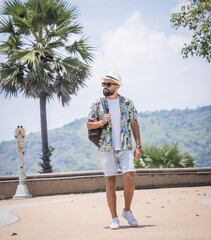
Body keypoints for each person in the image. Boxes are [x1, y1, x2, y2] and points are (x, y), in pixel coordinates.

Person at [87, 71, 142, 230]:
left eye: (108, 84)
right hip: (106, 147)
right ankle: (114, 218)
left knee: (130, 178)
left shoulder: (127, 102)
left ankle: (127, 211)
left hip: (125, 147)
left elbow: (134, 124)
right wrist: (100, 122)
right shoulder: (98, 103)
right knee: (110, 182)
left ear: (116, 87)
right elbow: (89, 124)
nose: (105, 86)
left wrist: (138, 145)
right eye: (103, 84)